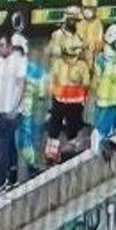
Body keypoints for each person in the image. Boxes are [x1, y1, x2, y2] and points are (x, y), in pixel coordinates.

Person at [0, 34, 28, 193]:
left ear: (10, 46)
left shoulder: (18, 61)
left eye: (2, 45)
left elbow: (22, 86)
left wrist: (15, 108)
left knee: (3, 146)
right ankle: (12, 178)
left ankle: (0, 180)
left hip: (10, 110)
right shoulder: (1, 61)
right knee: (9, 147)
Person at [44, 33, 91, 165]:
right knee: (56, 126)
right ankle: (53, 153)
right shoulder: (61, 64)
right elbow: (53, 80)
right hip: (61, 100)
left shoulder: (81, 66)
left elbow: (86, 84)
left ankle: (68, 152)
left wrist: (83, 99)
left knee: (70, 127)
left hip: (73, 102)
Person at [17, 38, 52, 179]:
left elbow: (44, 90)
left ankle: (32, 165)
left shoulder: (34, 70)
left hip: (28, 108)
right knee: (23, 139)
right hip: (19, 108)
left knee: (26, 138)